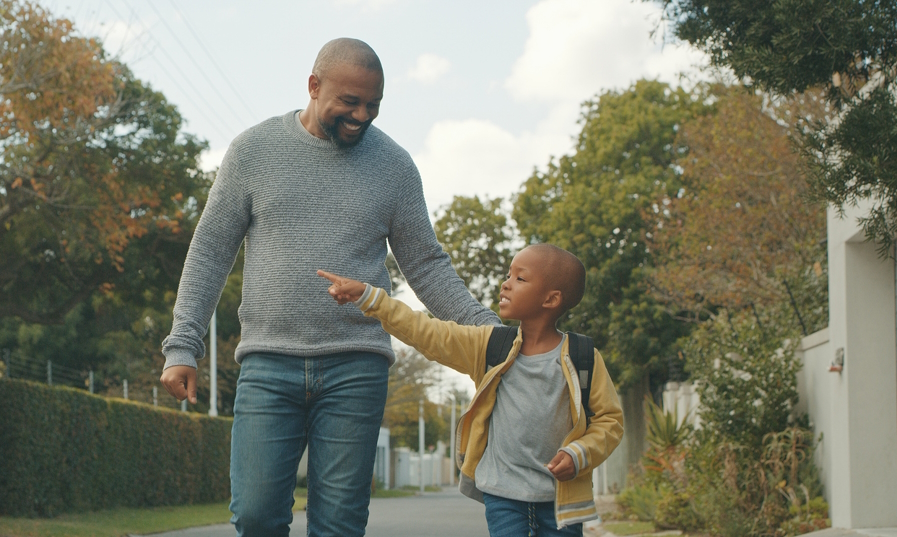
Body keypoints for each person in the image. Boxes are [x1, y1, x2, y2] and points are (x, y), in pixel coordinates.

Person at [159, 37, 499, 537]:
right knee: (254, 515)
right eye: (349, 102)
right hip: (269, 362)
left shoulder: (395, 167)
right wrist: (182, 346)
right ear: (314, 86)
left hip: (356, 364)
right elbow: (210, 249)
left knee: (339, 525)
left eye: (373, 106)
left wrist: (490, 333)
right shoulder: (254, 150)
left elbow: (427, 265)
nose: (362, 116)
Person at [318, 243, 625, 536]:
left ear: (551, 299)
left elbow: (610, 421)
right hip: (502, 494)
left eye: (520, 278)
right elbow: (428, 332)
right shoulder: (490, 345)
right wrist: (371, 298)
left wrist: (579, 454)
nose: (505, 284)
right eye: (508, 275)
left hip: (562, 499)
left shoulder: (583, 357)